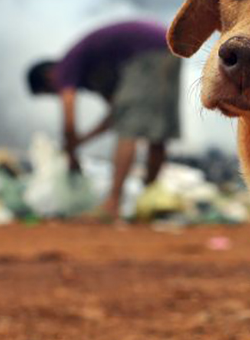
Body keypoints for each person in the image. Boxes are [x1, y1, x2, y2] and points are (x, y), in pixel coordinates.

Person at [27, 20, 181, 221]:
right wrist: (82, 141)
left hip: (146, 51)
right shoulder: (93, 71)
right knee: (157, 130)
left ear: (49, 76)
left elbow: (69, 120)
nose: (57, 94)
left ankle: (112, 204)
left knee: (130, 131)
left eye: (50, 92)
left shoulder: (66, 67)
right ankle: (149, 201)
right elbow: (116, 114)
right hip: (167, 47)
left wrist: (72, 151)